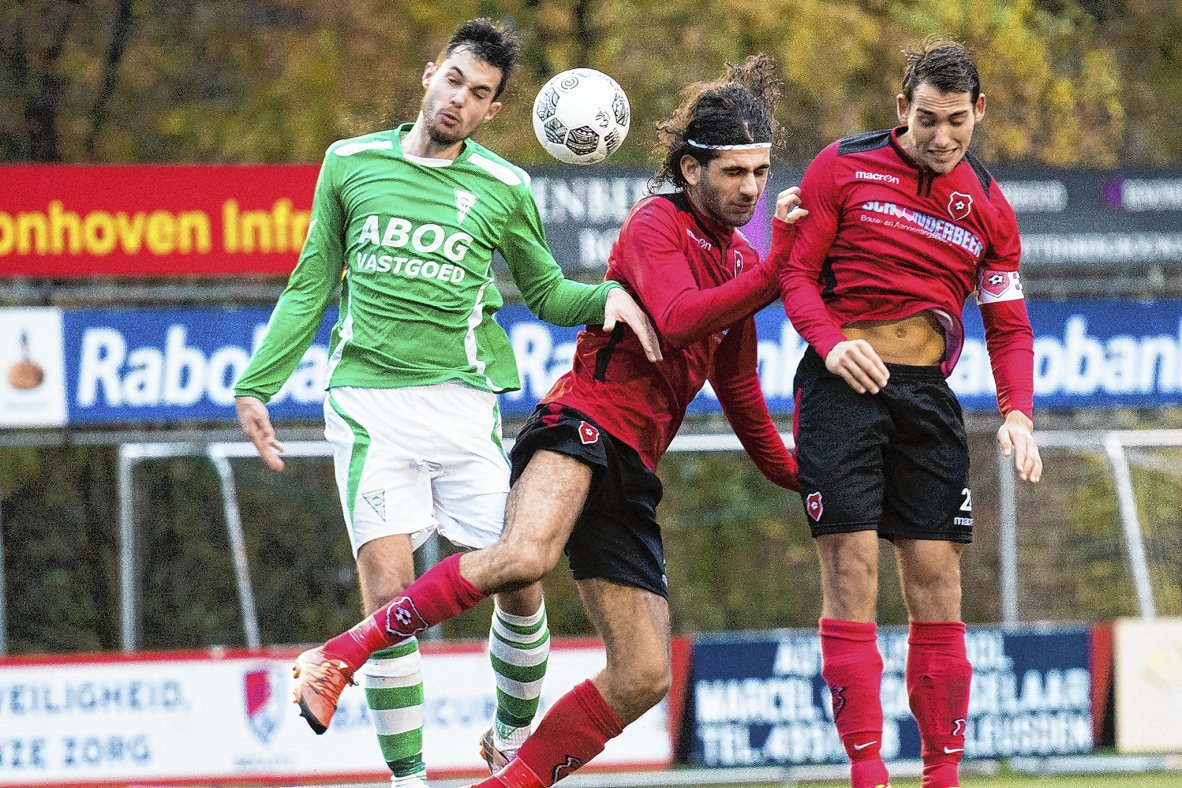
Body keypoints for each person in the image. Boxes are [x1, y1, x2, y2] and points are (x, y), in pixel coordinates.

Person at [286, 53, 804, 787]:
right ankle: (341, 654)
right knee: (525, 558)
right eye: (734, 172)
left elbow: (741, 388)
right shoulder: (657, 224)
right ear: (691, 170)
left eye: (761, 172)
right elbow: (679, 319)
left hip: (634, 467)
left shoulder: (744, 262)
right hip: (580, 423)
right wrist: (778, 270)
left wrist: (801, 476)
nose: (751, 187)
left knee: (644, 674)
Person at [232, 18, 660, 788]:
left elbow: (544, 291)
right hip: (369, 404)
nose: (459, 99)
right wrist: (257, 383)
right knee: (388, 593)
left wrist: (607, 299)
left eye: (479, 92)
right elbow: (309, 284)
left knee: (520, 578)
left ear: (494, 109)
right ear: (430, 74)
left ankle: (509, 739)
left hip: (463, 408)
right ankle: (409, 781)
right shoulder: (350, 163)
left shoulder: (504, 186)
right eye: (454, 79)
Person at [779, 40, 1043, 788]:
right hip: (840, 385)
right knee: (851, 569)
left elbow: (1009, 326)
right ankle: (867, 774)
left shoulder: (991, 207)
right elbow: (796, 274)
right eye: (927, 118)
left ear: (978, 112)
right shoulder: (841, 166)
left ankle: (942, 776)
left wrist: (1018, 413)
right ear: (902, 109)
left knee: (936, 582)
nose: (941, 136)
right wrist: (831, 345)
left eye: (956, 120)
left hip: (926, 396)